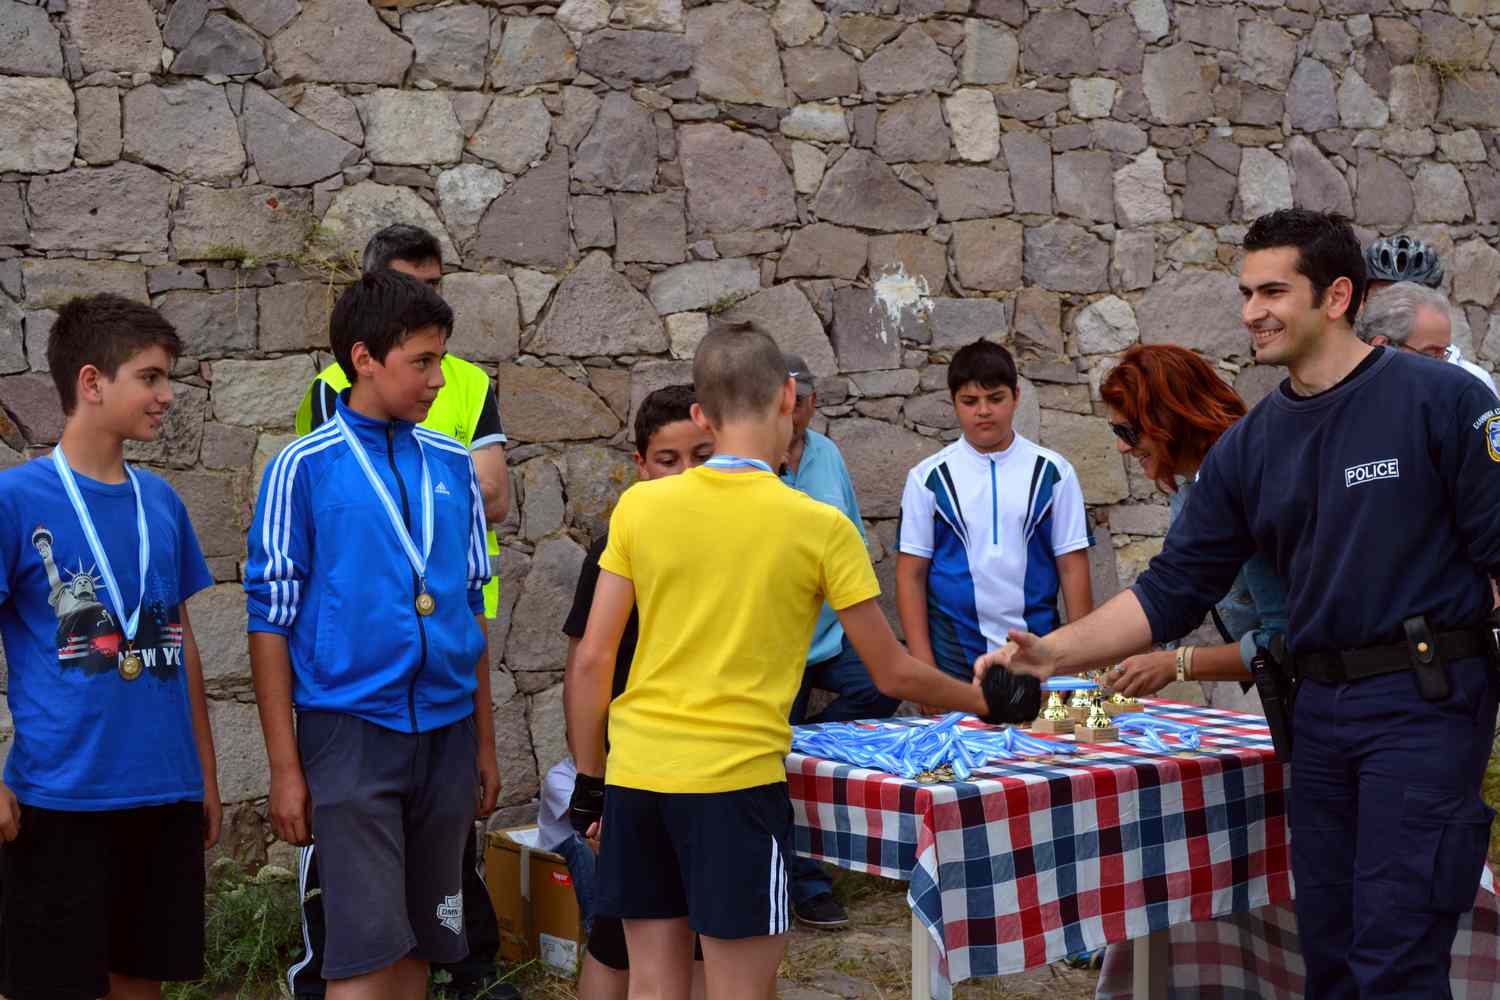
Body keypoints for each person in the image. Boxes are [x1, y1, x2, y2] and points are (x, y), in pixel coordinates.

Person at [985, 209, 1500, 997]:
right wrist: (1049, 653)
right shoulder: (1250, 445)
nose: (1252, 311)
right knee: (1328, 959)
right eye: (1246, 292)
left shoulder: (1442, 399)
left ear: (1336, 296)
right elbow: (1170, 589)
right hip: (1316, 716)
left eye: (1272, 291)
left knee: (1395, 962)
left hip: (1423, 707)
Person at [563, 321, 1040, 1000]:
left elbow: (593, 659)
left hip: (638, 777)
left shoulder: (640, 505)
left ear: (701, 415)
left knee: (653, 986)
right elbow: (892, 672)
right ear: (790, 396)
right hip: (734, 784)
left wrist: (591, 781)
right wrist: (988, 700)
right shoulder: (819, 526)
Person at [245, 271, 500, 1000]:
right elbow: (269, 620)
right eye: (422, 361)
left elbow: (470, 611)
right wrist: (285, 767)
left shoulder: (453, 465)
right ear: (364, 358)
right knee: (363, 954)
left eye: (441, 359)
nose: (438, 379)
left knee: (422, 945)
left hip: (447, 734)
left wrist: (483, 744)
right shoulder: (302, 469)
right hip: (350, 733)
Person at [0, 294, 220, 1000]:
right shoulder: (15, 500)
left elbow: (182, 645)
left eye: (167, 378)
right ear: (91, 382)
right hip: (60, 796)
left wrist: (204, 775)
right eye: (150, 377)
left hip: (162, 792)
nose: (166, 395)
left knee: (140, 985)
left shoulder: (163, 502)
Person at [541, 384, 713, 1000]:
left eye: (701, 456)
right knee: (618, 941)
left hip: (708, 769)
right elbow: (585, 666)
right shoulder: (616, 547)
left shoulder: (730, 542)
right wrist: (593, 783)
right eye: (668, 460)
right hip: (633, 772)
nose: (685, 473)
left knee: (701, 941)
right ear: (640, 465)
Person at [1101, 345, 1288, 714]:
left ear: (1168, 419)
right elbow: (1173, 595)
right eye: (1115, 431)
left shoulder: (1243, 484)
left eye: (1128, 431)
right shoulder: (1188, 487)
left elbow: (1283, 640)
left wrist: (1176, 664)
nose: (1121, 446)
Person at [896, 339, 1094, 685]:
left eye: (995, 398)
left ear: (1016, 396)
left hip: (1035, 652)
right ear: (953, 402)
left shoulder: (1053, 472)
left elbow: (1072, 567)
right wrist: (923, 669)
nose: (983, 411)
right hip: (953, 658)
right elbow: (910, 575)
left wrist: (1078, 666)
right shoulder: (927, 478)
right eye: (970, 401)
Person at [779, 353, 896, 930]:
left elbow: (848, 531)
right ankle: (806, 885)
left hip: (831, 631)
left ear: (812, 403)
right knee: (775, 767)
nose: (793, 411)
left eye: (801, 401)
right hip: (779, 642)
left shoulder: (827, 454)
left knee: (880, 686)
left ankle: (809, 741)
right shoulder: (754, 463)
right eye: (784, 400)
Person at [1363, 234, 1498, 396]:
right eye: (1384, 298)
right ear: (1362, 301)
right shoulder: (1341, 375)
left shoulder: (1474, 383)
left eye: (1412, 299)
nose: (1397, 313)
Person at [1355, 280, 1499, 398]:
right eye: (1431, 354)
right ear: (1382, 346)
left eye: (1445, 354)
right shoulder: (1348, 395)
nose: (1445, 367)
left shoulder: (1470, 390)